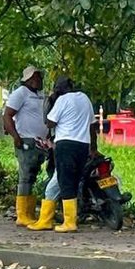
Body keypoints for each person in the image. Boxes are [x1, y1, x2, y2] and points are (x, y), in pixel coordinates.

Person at [29, 76, 96, 233]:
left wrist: (51, 101)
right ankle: (45, 219)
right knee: (63, 182)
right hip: (83, 145)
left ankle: (69, 222)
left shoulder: (62, 100)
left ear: (59, 89)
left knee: (65, 182)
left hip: (65, 145)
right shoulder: (85, 98)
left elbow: (49, 122)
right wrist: (93, 147)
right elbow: (92, 126)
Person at [3, 66, 47, 227]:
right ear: (27, 79)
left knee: (33, 176)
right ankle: (22, 214)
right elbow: (7, 115)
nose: (38, 80)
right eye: (34, 77)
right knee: (26, 176)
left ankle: (29, 212)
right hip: (26, 140)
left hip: (41, 141)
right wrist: (16, 136)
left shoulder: (40, 95)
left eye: (39, 77)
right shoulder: (20, 93)